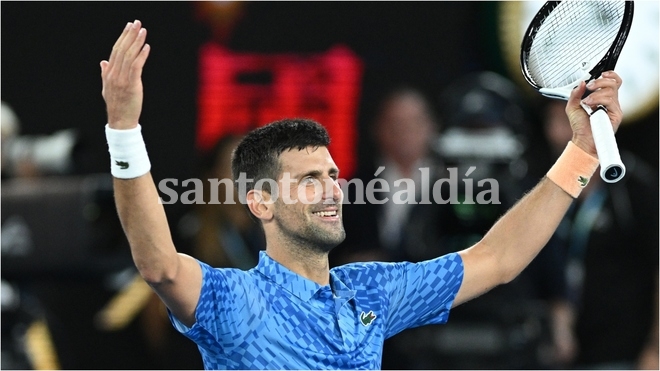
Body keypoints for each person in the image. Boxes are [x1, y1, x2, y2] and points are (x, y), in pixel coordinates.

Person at [100, 20, 624, 369]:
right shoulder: (235, 299)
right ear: (260, 203)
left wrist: (582, 153)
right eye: (309, 180)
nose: (332, 190)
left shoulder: (372, 292)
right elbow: (160, 267)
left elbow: (499, 257)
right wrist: (124, 129)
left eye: (332, 175)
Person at [540, 99, 659, 370]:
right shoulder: (546, 193)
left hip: (624, 354)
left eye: (567, 123)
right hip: (561, 356)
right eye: (553, 122)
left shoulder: (634, 189)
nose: (557, 135)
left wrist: (656, 347)